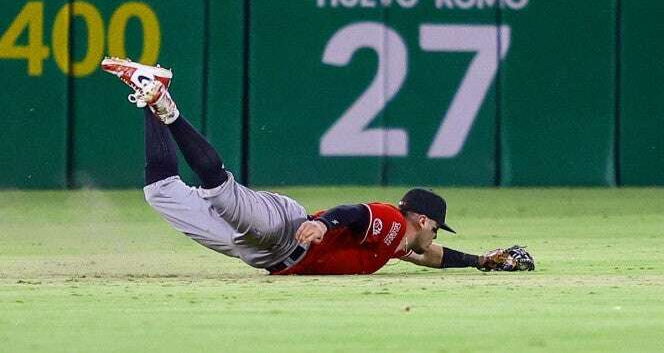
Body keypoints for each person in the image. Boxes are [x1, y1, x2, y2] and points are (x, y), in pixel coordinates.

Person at [101, 57, 534, 275]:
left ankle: (150, 89)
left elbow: (431, 255)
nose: (435, 236)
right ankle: (169, 111)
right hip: (285, 229)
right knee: (221, 191)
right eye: (436, 227)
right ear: (421, 218)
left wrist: (482, 261)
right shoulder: (388, 220)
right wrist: (325, 225)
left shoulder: (403, 244)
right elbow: (357, 212)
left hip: (263, 253)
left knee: (159, 191)